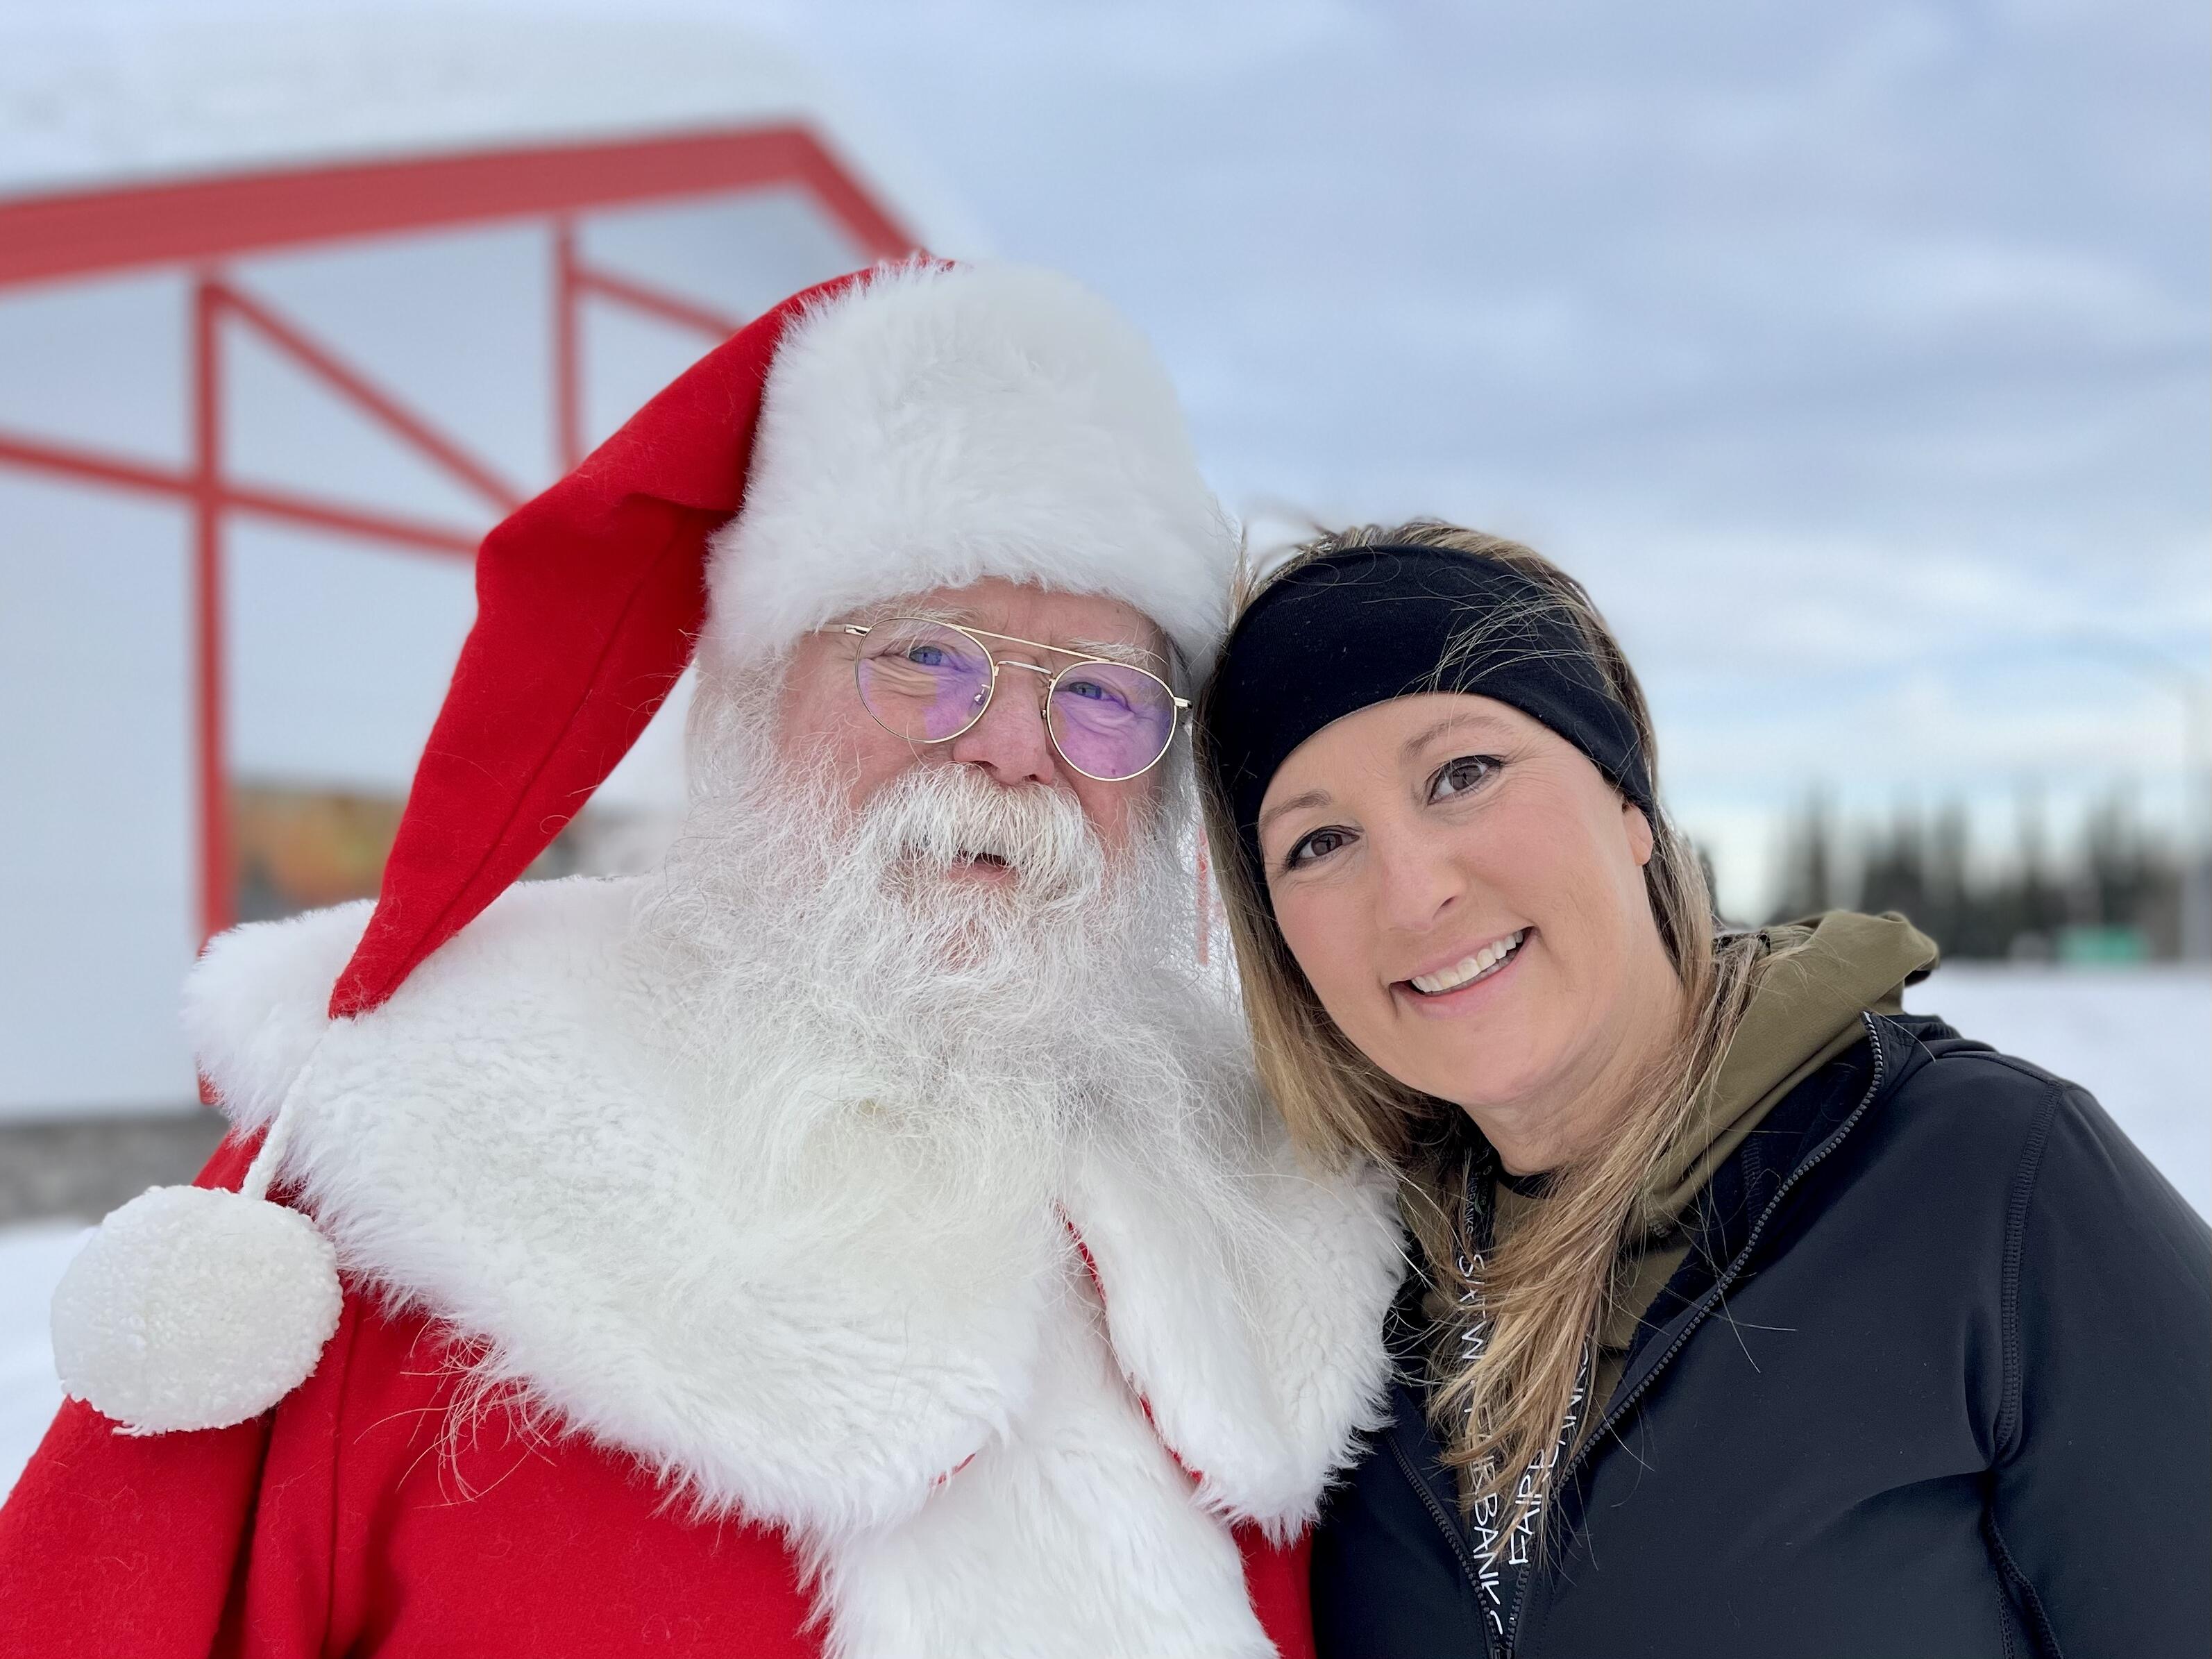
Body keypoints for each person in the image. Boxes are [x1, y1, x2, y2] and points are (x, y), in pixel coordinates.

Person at [0, 263, 1405, 1658]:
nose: (1013, 745)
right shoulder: (390, 1177)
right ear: (746, 703)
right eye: (925, 656)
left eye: (1098, 696)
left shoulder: (1289, 1200)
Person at [1195, 519, 2211, 1659]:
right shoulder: (1339, 1315)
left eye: (1464, 774)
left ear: (1627, 800)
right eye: (1319, 841)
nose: (1414, 888)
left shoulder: (1991, 1190)